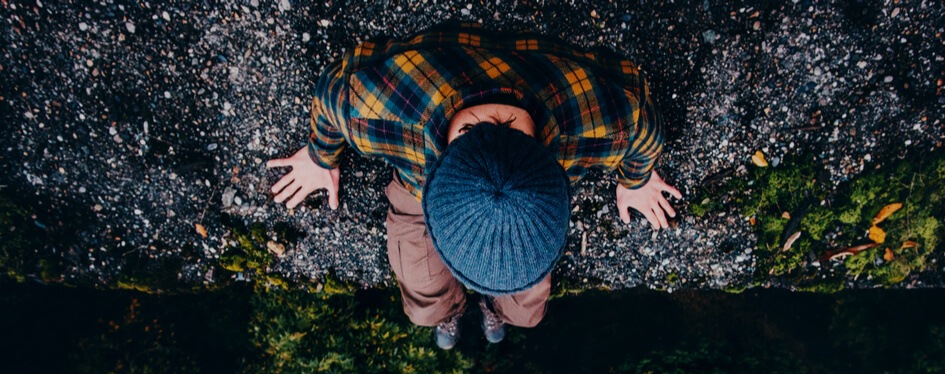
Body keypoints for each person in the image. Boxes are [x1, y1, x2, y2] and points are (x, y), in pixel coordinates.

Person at [267, 22, 682, 349]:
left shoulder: (610, 118)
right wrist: (320, 155)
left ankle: (495, 309)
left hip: (478, 152)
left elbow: (646, 130)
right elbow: (332, 94)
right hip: (427, 174)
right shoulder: (381, 108)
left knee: (526, 313)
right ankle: (453, 310)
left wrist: (637, 179)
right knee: (425, 307)